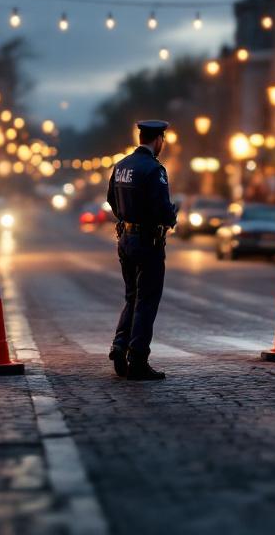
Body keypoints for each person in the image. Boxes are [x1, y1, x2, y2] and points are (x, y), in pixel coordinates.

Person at [106, 119, 178, 381]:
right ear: (158, 139)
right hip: (148, 241)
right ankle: (137, 358)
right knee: (147, 299)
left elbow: (111, 199)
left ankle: (119, 345)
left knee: (131, 297)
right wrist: (171, 217)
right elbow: (161, 207)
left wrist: (127, 217)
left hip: (125, 237)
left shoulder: (122, 165)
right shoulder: (154, 169)